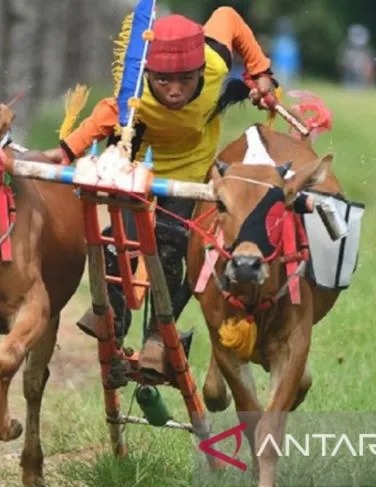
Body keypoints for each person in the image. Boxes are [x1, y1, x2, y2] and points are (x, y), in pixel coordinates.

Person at [44, 7, 279, 378]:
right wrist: (67, 151)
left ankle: (158, 336)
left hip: (188, 169)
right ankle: (113, 319)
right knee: (115, 242)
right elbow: (106, 114)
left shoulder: (216, 60)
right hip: (138, 166)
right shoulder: (135, 92)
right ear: (149, 73)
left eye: (185, 80)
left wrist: (261, 73)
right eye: (164, 80)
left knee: (173, 243)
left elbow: (228, 16)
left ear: (202, 71)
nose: (174, 90)